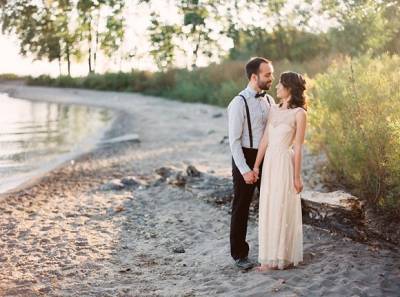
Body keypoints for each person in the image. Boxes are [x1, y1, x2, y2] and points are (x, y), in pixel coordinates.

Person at [253, 71, 307, 271]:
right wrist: (257, 165)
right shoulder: (274, 110)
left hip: (285, 162)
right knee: (269, 205)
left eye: (280, 84)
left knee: (281, 206)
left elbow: (299, 147)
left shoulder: (300, 114)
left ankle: (280, 256)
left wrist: (297, 176)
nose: (276, 87)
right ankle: (268, 257)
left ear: (289, 88)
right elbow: (265, 140)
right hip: (269, 164)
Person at [227, 57, 274, 270]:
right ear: (254, 77)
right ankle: (239, 255)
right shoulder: (238, 102)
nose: (271, 78)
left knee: (271, 204)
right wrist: (245, 170)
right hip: (244, 156)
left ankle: (272, 250)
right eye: (267, 74)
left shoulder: (270, 100)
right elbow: (234, 142)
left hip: (267, 156)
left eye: (271, 74)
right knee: (241, 207)